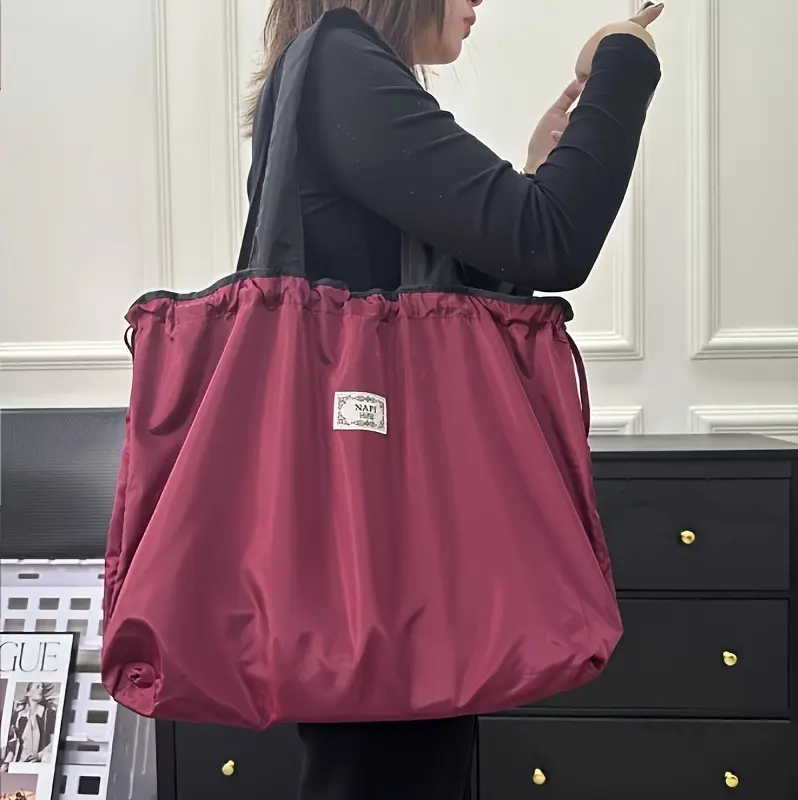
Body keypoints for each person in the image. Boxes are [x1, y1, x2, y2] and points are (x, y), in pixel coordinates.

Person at [244, 1, 662, 797]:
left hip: (374, 524)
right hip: (378, 533)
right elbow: (552, 237)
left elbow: (440, 291)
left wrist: (536, 173)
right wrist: (623, 60)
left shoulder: (336, 68)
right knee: (389, 761)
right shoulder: (341, 64)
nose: (479, 1)